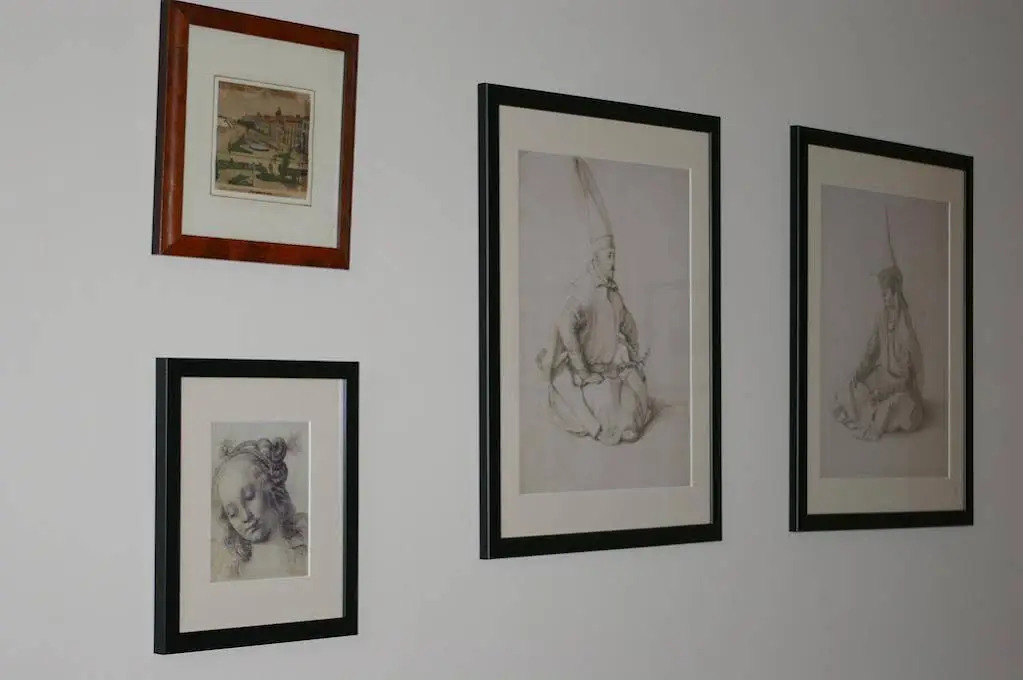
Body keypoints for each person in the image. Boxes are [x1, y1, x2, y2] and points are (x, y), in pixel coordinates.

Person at [535, 157, 652, 445]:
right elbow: (564, 325)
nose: (613, 261)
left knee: (637, 396)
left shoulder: (613, 295)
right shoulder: (584, 290)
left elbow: (628, 325)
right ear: (596, 258)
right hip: (584, 377)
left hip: (608, 370)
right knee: (608, 405)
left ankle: (623, 418)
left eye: (614, 255)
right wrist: (584, 371)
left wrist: (633, 353)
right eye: (608, 256)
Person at [832, 262, 924, 441]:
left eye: (886, 293)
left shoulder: (905, 328)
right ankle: (869, 410)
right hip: (882, 378)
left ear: (895, 294)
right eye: (882, 293)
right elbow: (871, 352)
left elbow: (906, 378)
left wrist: (883, 393)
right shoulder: (881, 317)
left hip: (900, 388)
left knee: (901, 408)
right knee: (852, 386)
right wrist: (859, 374)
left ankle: (872, 415)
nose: (883, 297)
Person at [211, 436, 308, 581]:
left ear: (270, 485)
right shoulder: (231, 573)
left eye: (249, 497)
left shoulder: (306, 552)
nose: (245, 516)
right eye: (232, 513)